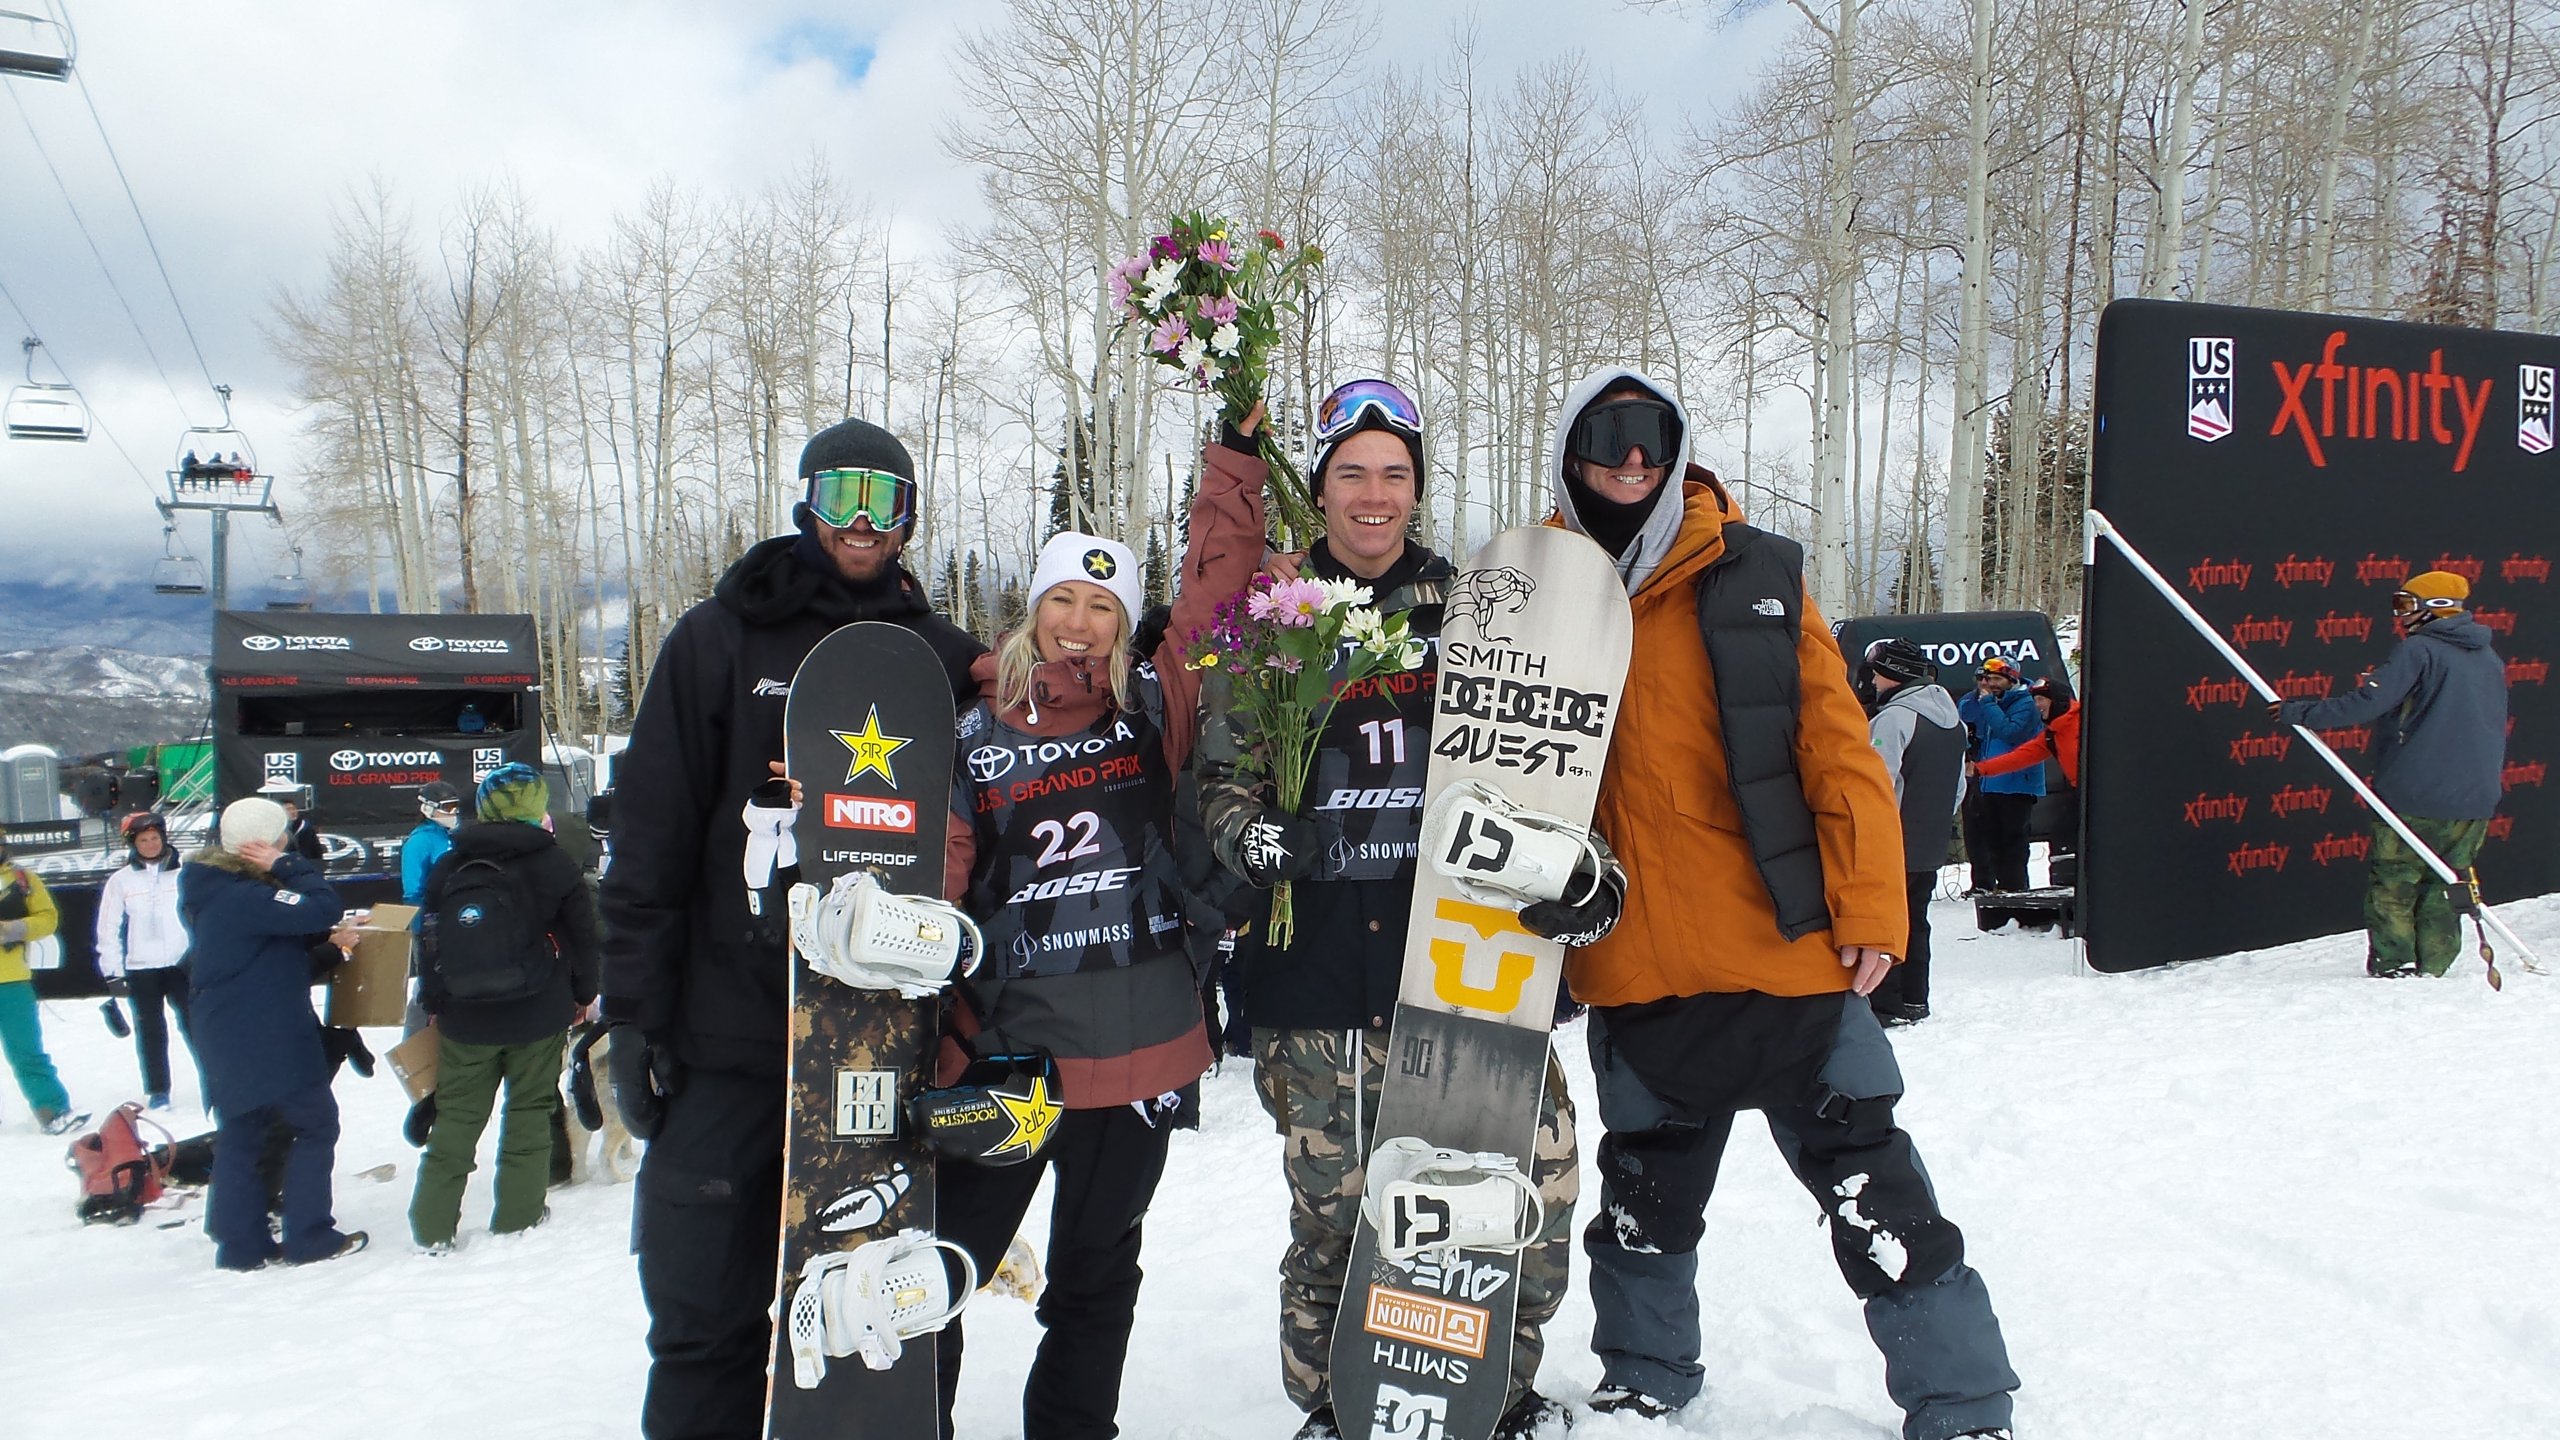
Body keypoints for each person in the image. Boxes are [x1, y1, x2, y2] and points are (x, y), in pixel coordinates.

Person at [1550, 367, 2018, 1436]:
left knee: (1878, 1199)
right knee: (1642, 1209)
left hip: (1787, 957)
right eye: (1609, 436)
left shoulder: (1754, 573)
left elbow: (1838, 749)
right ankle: (1644, 1375)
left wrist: (1871, 910)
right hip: (1639, 969)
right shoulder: (1538, 591)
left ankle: (1963, 1402)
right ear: (1571, 447)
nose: (1632, 458)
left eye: (1652, 437)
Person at [1199, 378, 1598, 1440]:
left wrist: (1576, 873)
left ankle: (1493, 1392)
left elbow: (1552, 762)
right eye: (1350, 474)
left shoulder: (1478, 610)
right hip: (1320, 968)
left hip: (1470, 967)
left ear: (1417, 488)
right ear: (1321, 489)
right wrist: (1253, 834)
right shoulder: (1275, 616)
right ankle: (1333, 1402)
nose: (1372, 496)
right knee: (1337, 1217)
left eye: (1394, 474)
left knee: (1528, 1194)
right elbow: (1221, 777)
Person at [599, 418, 985, 1439]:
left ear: (908, 520)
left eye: (885, 500)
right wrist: (634, 1014)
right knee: (703, 1310)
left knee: (874, 1318)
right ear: (804, 501)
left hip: (876, 1046)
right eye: (841, 494)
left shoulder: (938, 661)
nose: (861, 522)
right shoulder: (718, 639)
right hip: (732, 1036)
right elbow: (650, 838)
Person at [930, 404, 1264, 1436]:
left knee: (1094, 1276)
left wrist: (1234, 467)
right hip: (1009, 1055)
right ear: (1032, 612)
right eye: (1061, 601)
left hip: (1139, 1051)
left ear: (1126, 625)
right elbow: (940, 878)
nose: (1079, 622)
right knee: (945, 1272)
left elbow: (1213, 600)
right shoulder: (973, 733)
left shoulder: (1153, 714)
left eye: (1102, 607)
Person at [2274, 570, 2508, 978]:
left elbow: (2368, 703)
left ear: (2433, 608)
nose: (2400, 616)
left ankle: (2394, 964)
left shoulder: (2418, 651)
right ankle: (2435, 964)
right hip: (2475, 799)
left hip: (2414, 795)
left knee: (2395, 882)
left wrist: (2298, 712)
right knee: (2445, 882)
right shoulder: (2488, 657)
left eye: (2406, 605)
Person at [410, 763, 599, 1252]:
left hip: (464, 1015)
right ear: (536, 806)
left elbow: (429, 939)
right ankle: (518, 1216)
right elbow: (583, 937)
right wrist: (583, 994)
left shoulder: (452, 864)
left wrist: (434, 1000)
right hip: (538, 1010)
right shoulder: (554, 863)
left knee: (455, 1117)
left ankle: (431, 1227)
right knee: (530, 1110)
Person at [179, 796, 368, 1270]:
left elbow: (266, 963)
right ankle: (309, 1236)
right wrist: (288, 865)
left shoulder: (213, 889)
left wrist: (329, 952)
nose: (290, 843)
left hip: (226, 1025)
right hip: (268, 1031)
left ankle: (239, 1245)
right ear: (262, 845)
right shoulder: (248, 895)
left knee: (243, 1132)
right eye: (284, 837)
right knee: (314, 1123)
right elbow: (321, 906)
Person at [1861, 640, 1966, 1027]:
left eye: (1877, 672)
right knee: (1917, 919)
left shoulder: (1894, 718)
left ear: (1895, 673)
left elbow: (1875, 782)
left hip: (1892, 839)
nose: (1871, 680)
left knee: (1885, 922)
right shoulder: (1952, 719)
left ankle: (1884, 1005)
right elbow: (1958, 787)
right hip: (1930, 839)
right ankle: (1914, 999)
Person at [96, 811, 199, 1107]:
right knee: (150, 1031)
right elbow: (108, 927)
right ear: (134, 843)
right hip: (142, 968)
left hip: (183, 964)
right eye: (144, 840)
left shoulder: (186, 874)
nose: (151, 844)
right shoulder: (121, 881)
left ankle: (217, 1082)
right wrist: (113, 972)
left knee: (196, 1025)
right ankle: (158, 1090)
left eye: (155, 838)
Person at [0, 838, 81, 1133]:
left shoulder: (22, 879)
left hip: (13, 980)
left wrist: (13, 929)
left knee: (27, 1051)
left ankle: (53, 1110)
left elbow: (48, 918)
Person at [1974, 676, 2081, 889]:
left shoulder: (2083, 722)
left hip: (2104, 795)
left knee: (2065, 835)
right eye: (2036, 700)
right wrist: (1980, 769)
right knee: (2063, 836)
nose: (2037, 705)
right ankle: (2068, 888)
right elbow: (2022, 756)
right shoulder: (2053, 733)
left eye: (2041, 699)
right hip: (2080, 793)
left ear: (2057, 700)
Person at [1956, 656, 2042, 897]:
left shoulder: (2026, 702)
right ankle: (1995, 887)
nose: (1989, 683)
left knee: (2013, 841)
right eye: (1986, 678)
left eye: (1995, 678)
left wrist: (1989, 705)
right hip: (1991, 781)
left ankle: (2015, 888)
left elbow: (2011, 732)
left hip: (2017, 782)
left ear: (2010, 679)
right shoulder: (1991, 701)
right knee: (1991, 839)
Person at [258, 777, 326, 862]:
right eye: (288, 809)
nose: (292, 812)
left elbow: (316, 852)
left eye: (293, 809)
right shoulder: (273, 829)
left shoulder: (305, 827)